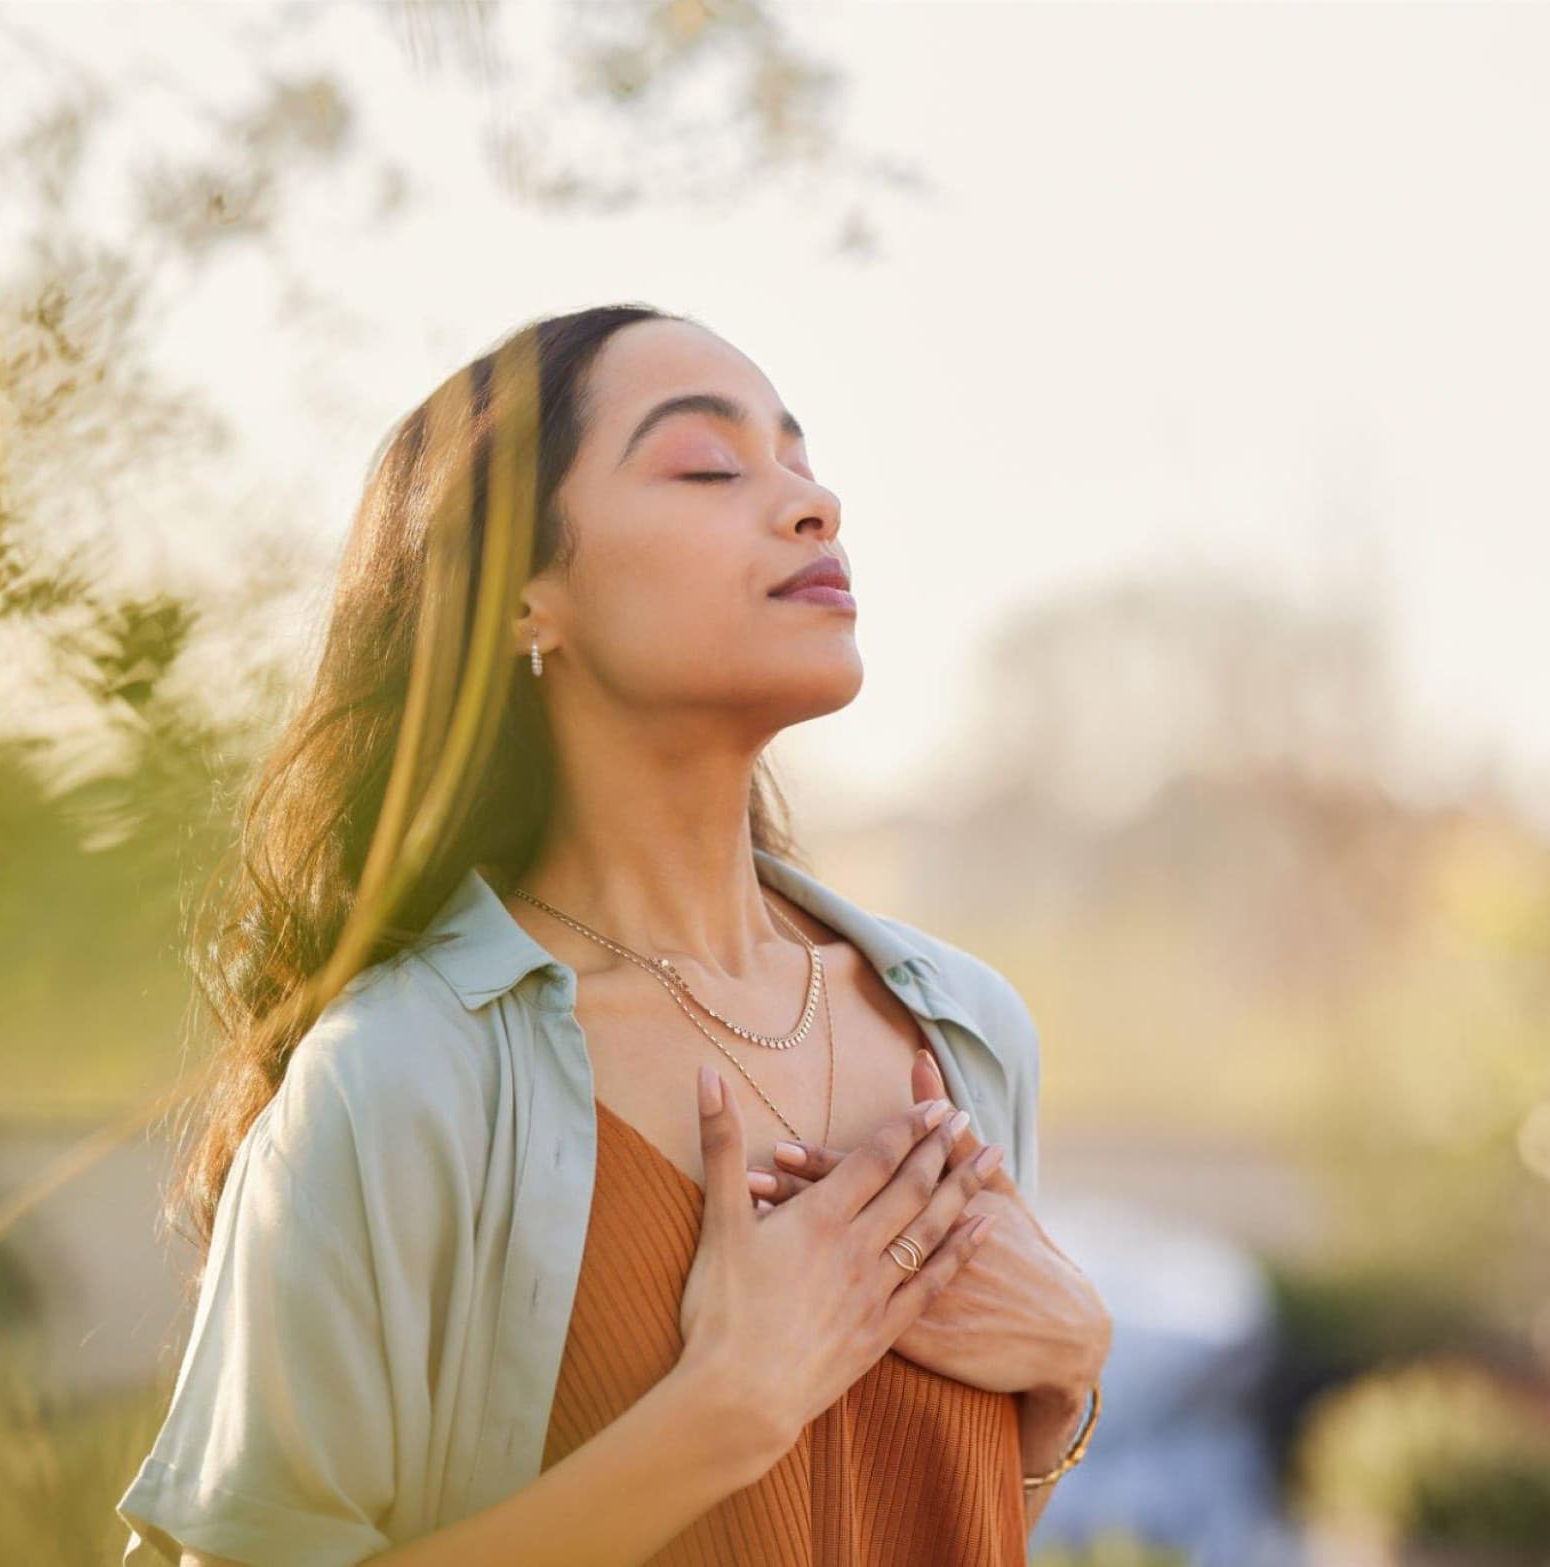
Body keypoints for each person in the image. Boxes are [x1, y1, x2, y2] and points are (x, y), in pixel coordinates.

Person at [114, 304, 1112, 1566]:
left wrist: (1065, 1382)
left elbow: (949, 1519)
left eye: (801, 462)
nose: (815, 506)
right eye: (709, 466)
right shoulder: (401, 1078)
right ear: (527, 599)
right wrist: (717, 1415)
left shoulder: (967, 1029)